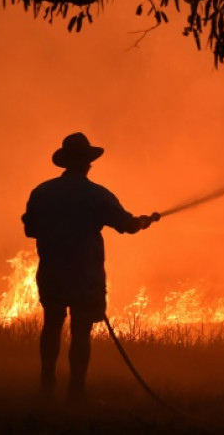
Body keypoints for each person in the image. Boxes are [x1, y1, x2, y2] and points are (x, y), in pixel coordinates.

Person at [22, 132, 159, 399]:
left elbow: (30, 230)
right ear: (86, 163)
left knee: (51, 325)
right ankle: (76, 390)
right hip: (85, 276)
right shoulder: (96, 195)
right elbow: (126, 225)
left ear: (65, 163)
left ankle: (46, 383)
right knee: (81, 331)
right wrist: (143, 221)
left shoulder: (42, 192)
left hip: (52, 273)